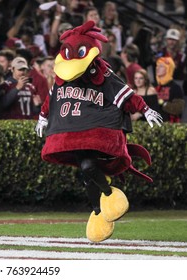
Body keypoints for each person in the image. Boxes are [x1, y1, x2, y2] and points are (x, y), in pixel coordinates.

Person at [35, 21, 162, 243]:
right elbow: (52, 99)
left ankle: (109, 193)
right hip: (72, 132)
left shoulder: (102, 74)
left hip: (93, 132)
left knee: (88, 167)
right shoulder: (63, 77)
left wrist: (146, 109)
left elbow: (126, 95)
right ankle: (97, 213)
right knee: (86, 176)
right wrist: (43, 117)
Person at [155, 57, 185, 123]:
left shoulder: (175, 88)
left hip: (169, 125)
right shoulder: (155, 86)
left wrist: (163, 103)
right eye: (157, 66)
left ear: (168, 69)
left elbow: (178, 109)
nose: (157, 68)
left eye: (161, 66)